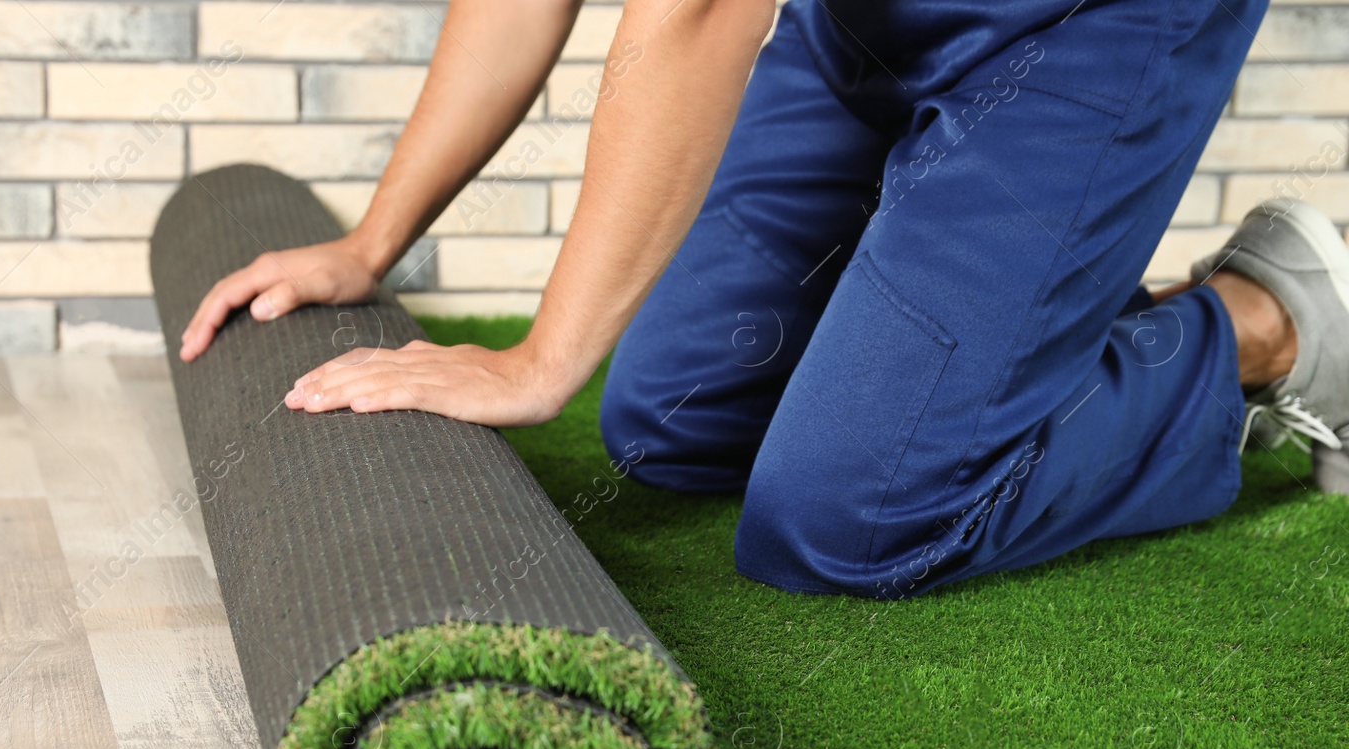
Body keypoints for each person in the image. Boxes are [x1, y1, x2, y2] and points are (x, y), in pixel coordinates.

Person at [179, 0, 1349, 599]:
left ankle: (1267, 323)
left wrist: (538, 362)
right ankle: (1018, 330)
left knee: (855, 517)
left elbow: (692, 16)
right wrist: (373, 240)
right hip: (871, 25)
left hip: (1086, 26)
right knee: (670, 416)